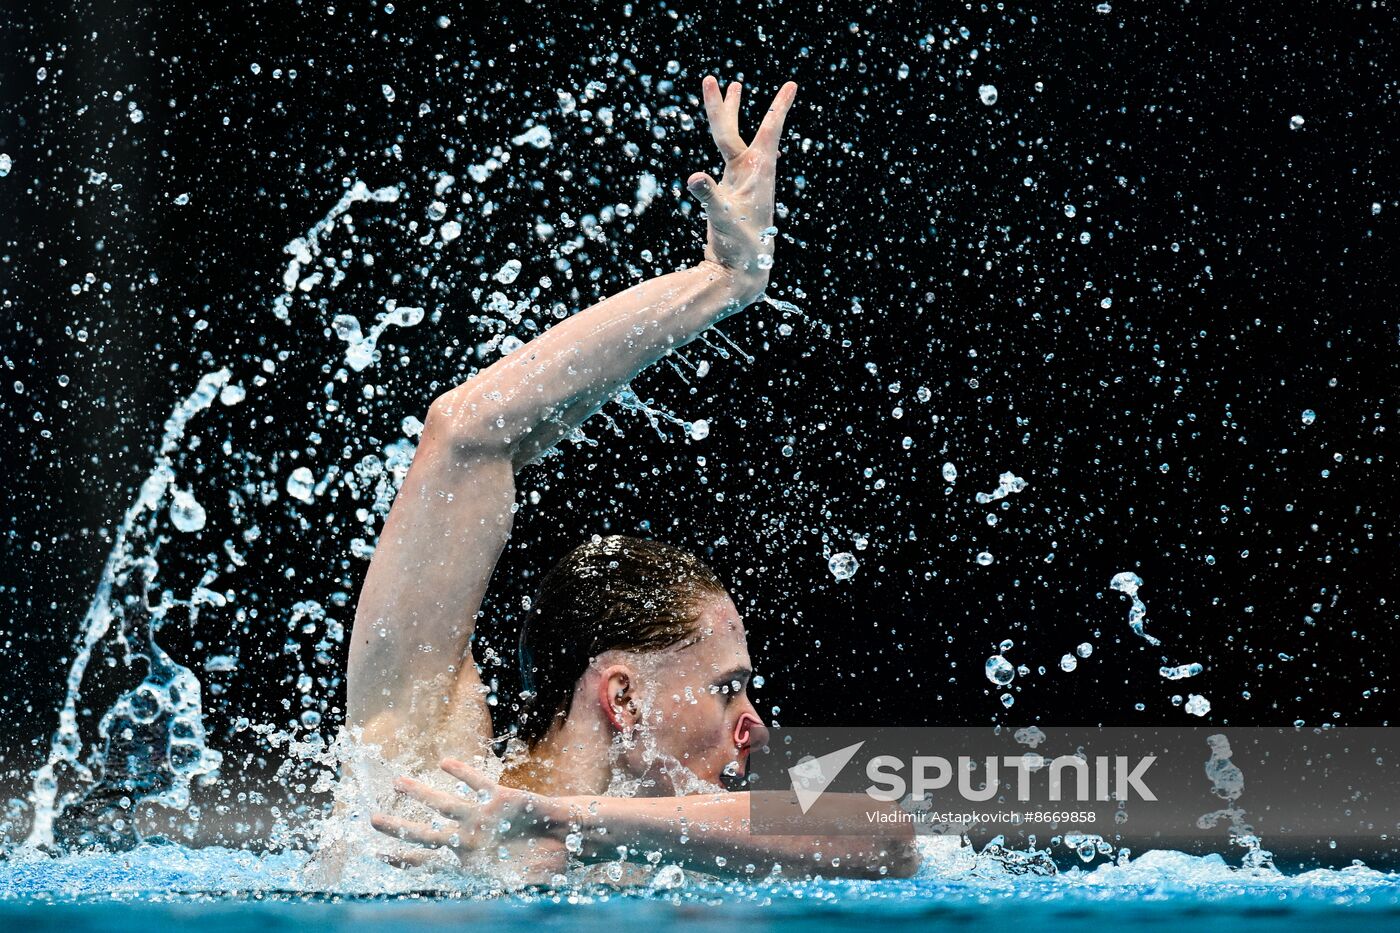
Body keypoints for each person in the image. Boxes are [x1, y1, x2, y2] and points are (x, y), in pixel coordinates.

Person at [343, 76, 920, 883]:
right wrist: (721, 284)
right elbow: (467, 433)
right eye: (728, 689)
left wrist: (571, 822)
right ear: (623, 696)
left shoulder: (662, 850)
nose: (754, 722)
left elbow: (889, 838)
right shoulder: (427, 776)